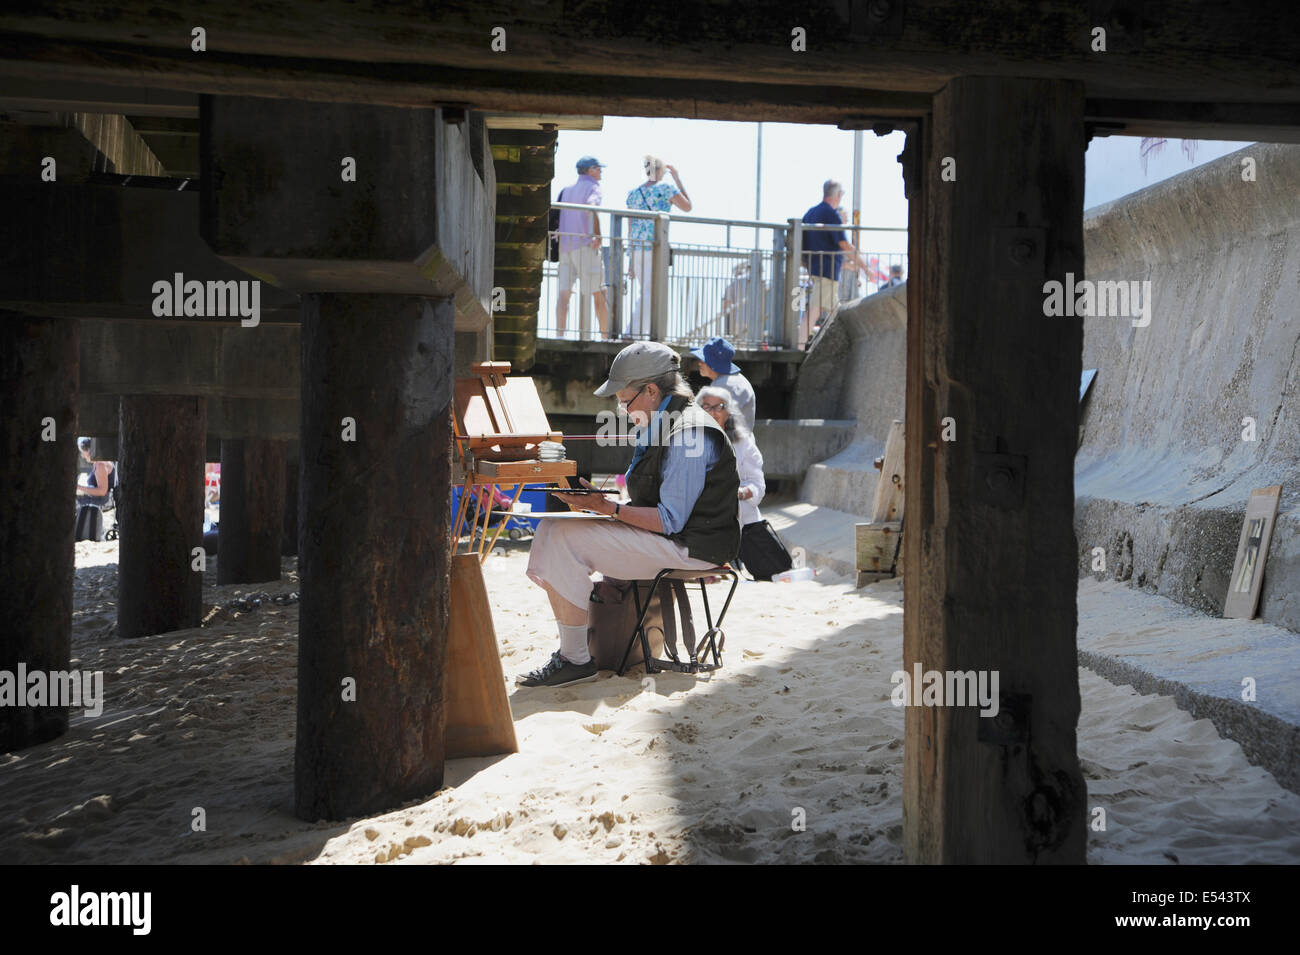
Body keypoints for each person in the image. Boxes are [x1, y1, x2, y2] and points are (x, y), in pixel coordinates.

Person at [519, 342, 740, 688]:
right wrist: (601, 506)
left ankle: (575, 659)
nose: (622, 409)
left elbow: (670, 520)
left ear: (651, 390)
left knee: (561, 535)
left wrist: (609, 509)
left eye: (625, 400)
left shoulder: (688, 433)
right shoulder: (666, 421)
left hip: (693, 548)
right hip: (678, 539)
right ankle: (572, 655)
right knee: (552, 526)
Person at [625, 156, 692, 338]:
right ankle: (634, 331)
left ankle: (637, 330)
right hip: (655, 245)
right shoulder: (666, 189)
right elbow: (687, 206)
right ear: (662, 170)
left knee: (646, 290)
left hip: (637, 246)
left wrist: (630, 258)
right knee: (650, 291)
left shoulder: (633, 194)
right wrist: (677, 178)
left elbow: (630, 227)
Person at [801, 179, 871, 349]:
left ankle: (842, 344)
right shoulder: (831, 214)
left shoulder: (811, 213)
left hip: (816, 267)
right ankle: (799, 345)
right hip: (827, 269)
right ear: (838, 195)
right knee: (816, 310)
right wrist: (865, 268)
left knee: (835, 310)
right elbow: (844, 245)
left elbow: (801, 241)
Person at [556, 156, 610, 340]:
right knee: (599, 292)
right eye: (598, 168)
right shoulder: (593, 187)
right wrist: (598, 234)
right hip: (585, 245)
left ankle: (559, 335)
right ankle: (605, 337)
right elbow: (592, 207)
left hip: (564, 246)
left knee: (564, 293)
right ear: (590, 170)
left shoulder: (567, 190)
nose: (601, 171)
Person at [698, 386, 765, 529]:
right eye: (707, 407)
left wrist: (739, 493)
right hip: (700, 522)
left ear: (728, 412)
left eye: (719, 407)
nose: (712, 412)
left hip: (741, 522)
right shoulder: (685, 442)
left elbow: (758, 485)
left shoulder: (743, 443)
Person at [690, 336, 756, 432]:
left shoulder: (724, 385)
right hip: (736, 441)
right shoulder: (731, 379)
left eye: (703, 360)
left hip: (732, 443)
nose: (699, 363)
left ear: (713, 364)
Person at [75, 437, 115, 507]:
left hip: (103, 502)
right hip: (99, 498)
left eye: (83, 453)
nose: (82, 456)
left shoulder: (100, 465)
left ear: (89, 451)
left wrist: (79, 487)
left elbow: (102, 492)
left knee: (73, 502)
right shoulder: (98, 461)